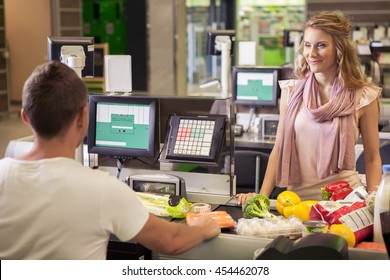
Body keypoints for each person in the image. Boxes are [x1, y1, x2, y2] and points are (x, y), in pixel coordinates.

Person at [0, 61, 220, 260]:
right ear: (83, 117)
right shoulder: (103, 189)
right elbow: (171, 242)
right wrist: (201, 227)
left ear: (25, 117)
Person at [237, 11, 382, 204]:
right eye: (307, 45)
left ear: (339, 49)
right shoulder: (291, 92)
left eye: (321, 45)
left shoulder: (364, 96)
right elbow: (279, 149)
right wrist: (261, 198)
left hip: (345, 202)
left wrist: (375, 204)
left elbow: (372, 159)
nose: (311, 53)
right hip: (296, 203)